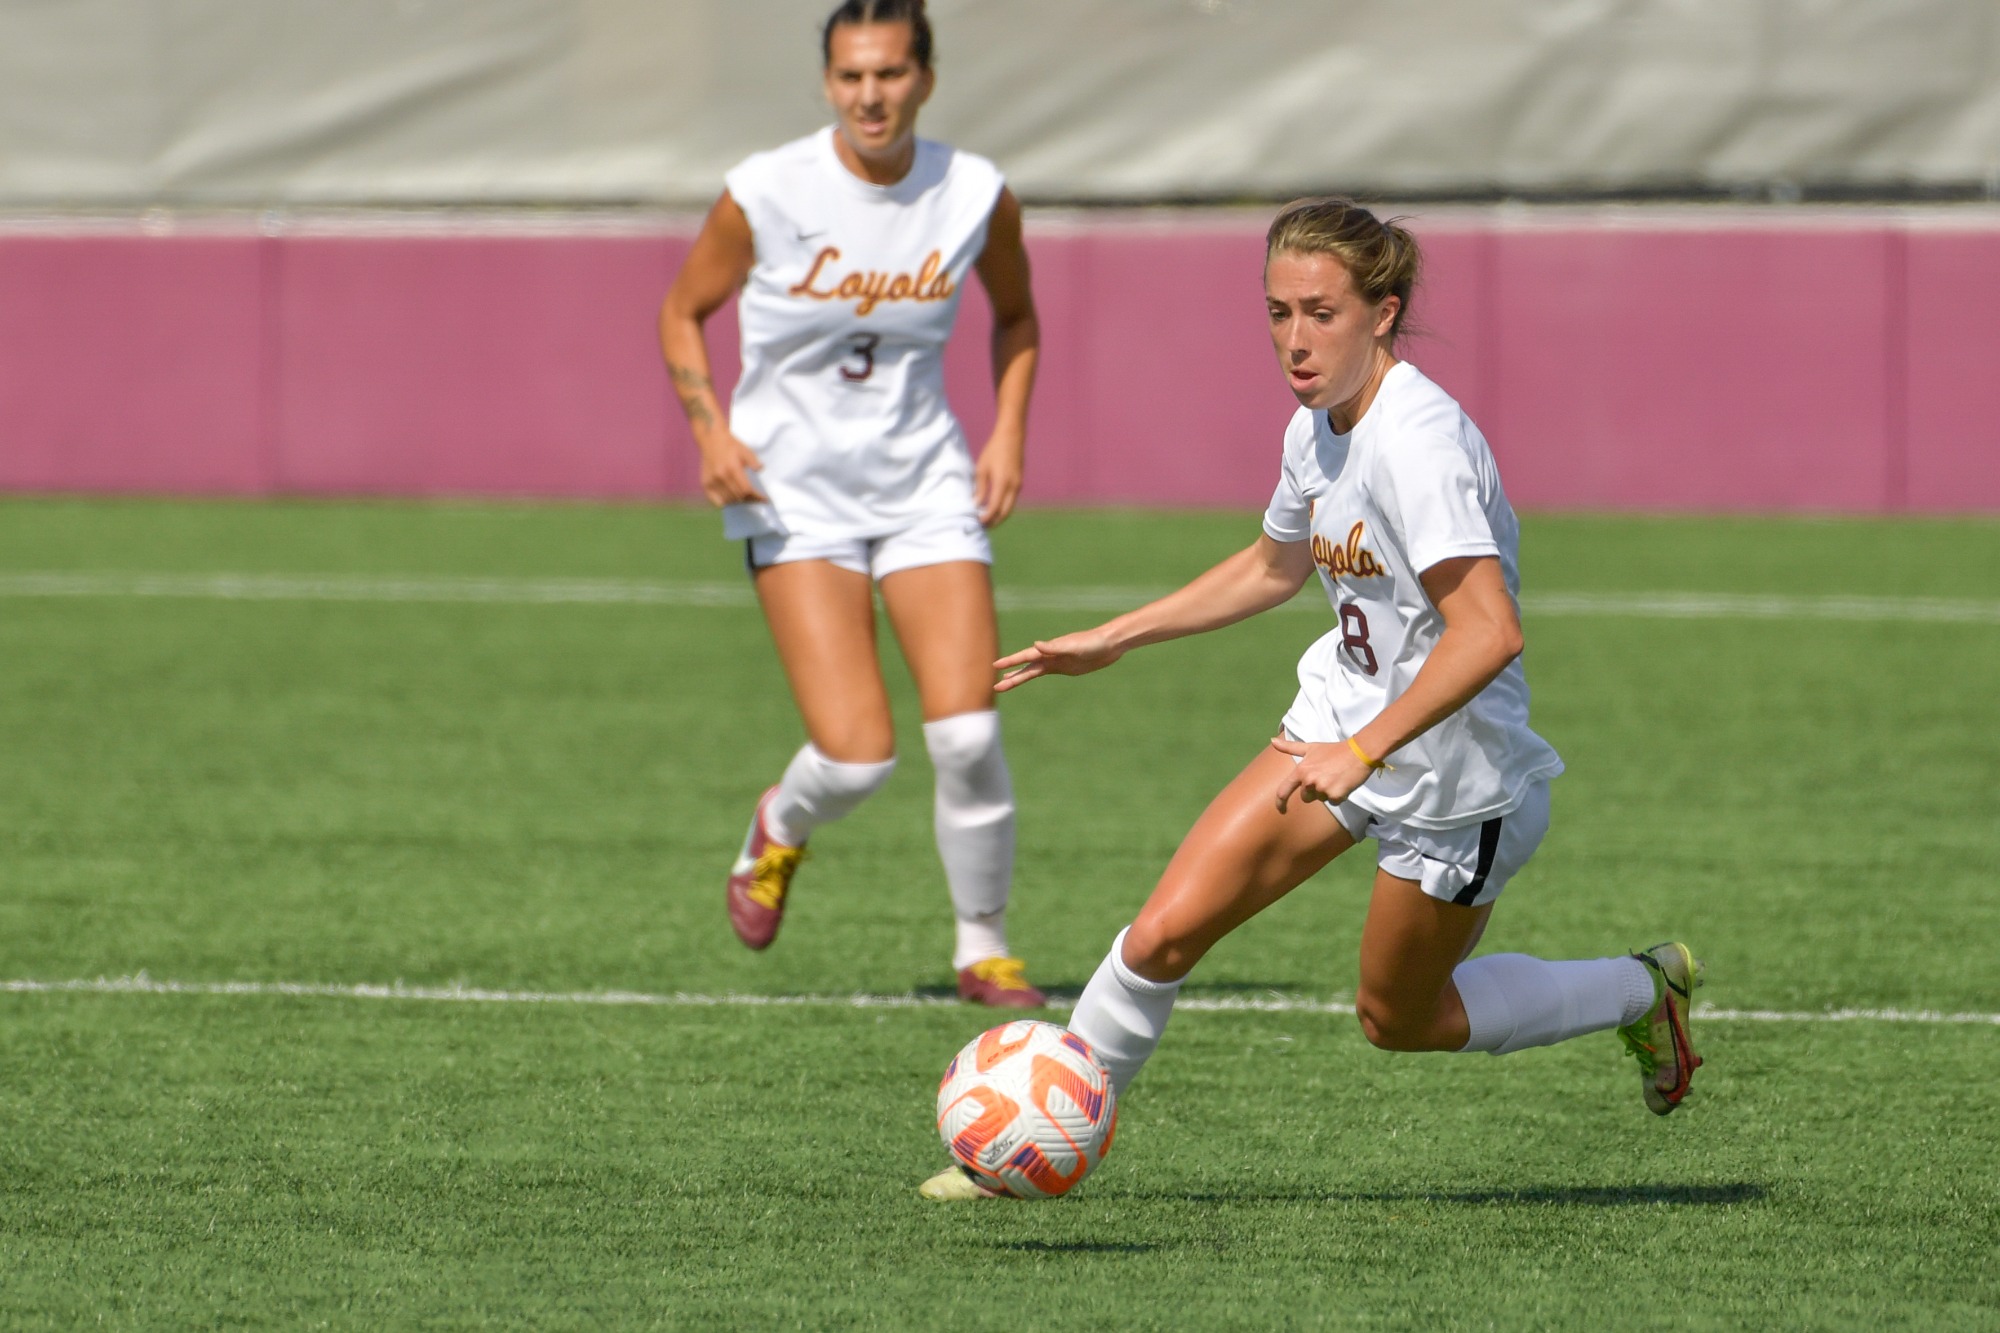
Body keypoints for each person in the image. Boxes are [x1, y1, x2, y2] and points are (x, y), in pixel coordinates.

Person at [920, 197, 1702, 1199]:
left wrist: (1368, 749)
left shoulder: (1414, 443)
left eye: (1319, 312)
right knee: (1161, 932)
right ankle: (1034, 1142)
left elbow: (1489, 632)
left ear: (1382, 312)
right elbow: (1270, 567)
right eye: (1277, 312)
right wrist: (1110, 638)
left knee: (1397, 1020)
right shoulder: (1315, 427)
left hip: (1454, 780)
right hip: (1342, 725)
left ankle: (1640, 988)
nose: (1294, 339)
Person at [658, 0, 1046, 1006]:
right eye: (849, 77)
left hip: (923, 484)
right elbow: (681, 310)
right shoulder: (766, 190)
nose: (869, 95)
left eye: (888, 73)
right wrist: (709, 428)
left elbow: (1016, 317)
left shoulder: (972, 192)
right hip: (793, 496)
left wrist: (1005, 431)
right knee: (858, 755)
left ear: (924, 76)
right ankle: (780, 823)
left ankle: (982, 947)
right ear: (827, 81)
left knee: (965, 733)